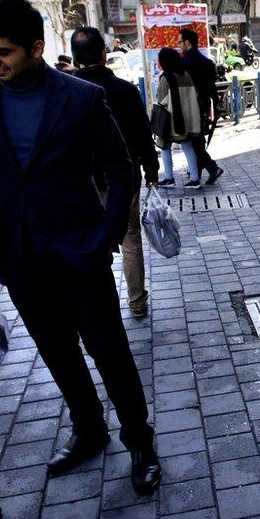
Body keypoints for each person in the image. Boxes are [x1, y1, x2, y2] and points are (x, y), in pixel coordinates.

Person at [0, 0, 161, 494]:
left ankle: (140, 442)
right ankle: (89, 431)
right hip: (21, 258)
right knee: (57, 354)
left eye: (3, 51)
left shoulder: (80, 97)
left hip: (80, 253)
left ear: (36, 48)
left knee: (109, 352)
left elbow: (121, 168)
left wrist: (105, 237)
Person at [71, 27, 160, 318]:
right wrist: (152, 169)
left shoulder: (66, 91)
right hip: (125, 176)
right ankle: (137, 302)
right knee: (130, 237)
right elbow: (143, 134)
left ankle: (99, 306)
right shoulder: (124, 89)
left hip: (83, 181)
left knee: (89, 239)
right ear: (103, 54)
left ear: (74, 56)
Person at [179, 29, 224, 184]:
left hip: (189, 107)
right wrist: (216, 106)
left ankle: (213, 168)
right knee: (198, 140)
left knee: (195, 142)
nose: (179, 45)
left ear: (187, 42)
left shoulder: (184, 63)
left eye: (180, 42)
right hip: (204, 106)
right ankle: (198, 171)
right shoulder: (207, 62)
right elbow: (212, 87)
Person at [154, 47, 202, 188]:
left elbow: (162, 100)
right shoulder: (185, 74)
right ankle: (195, 179)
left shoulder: (166, 77)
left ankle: (169, 178)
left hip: (171, 120)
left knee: (164, 147)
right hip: (187, 119)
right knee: (188, 147)